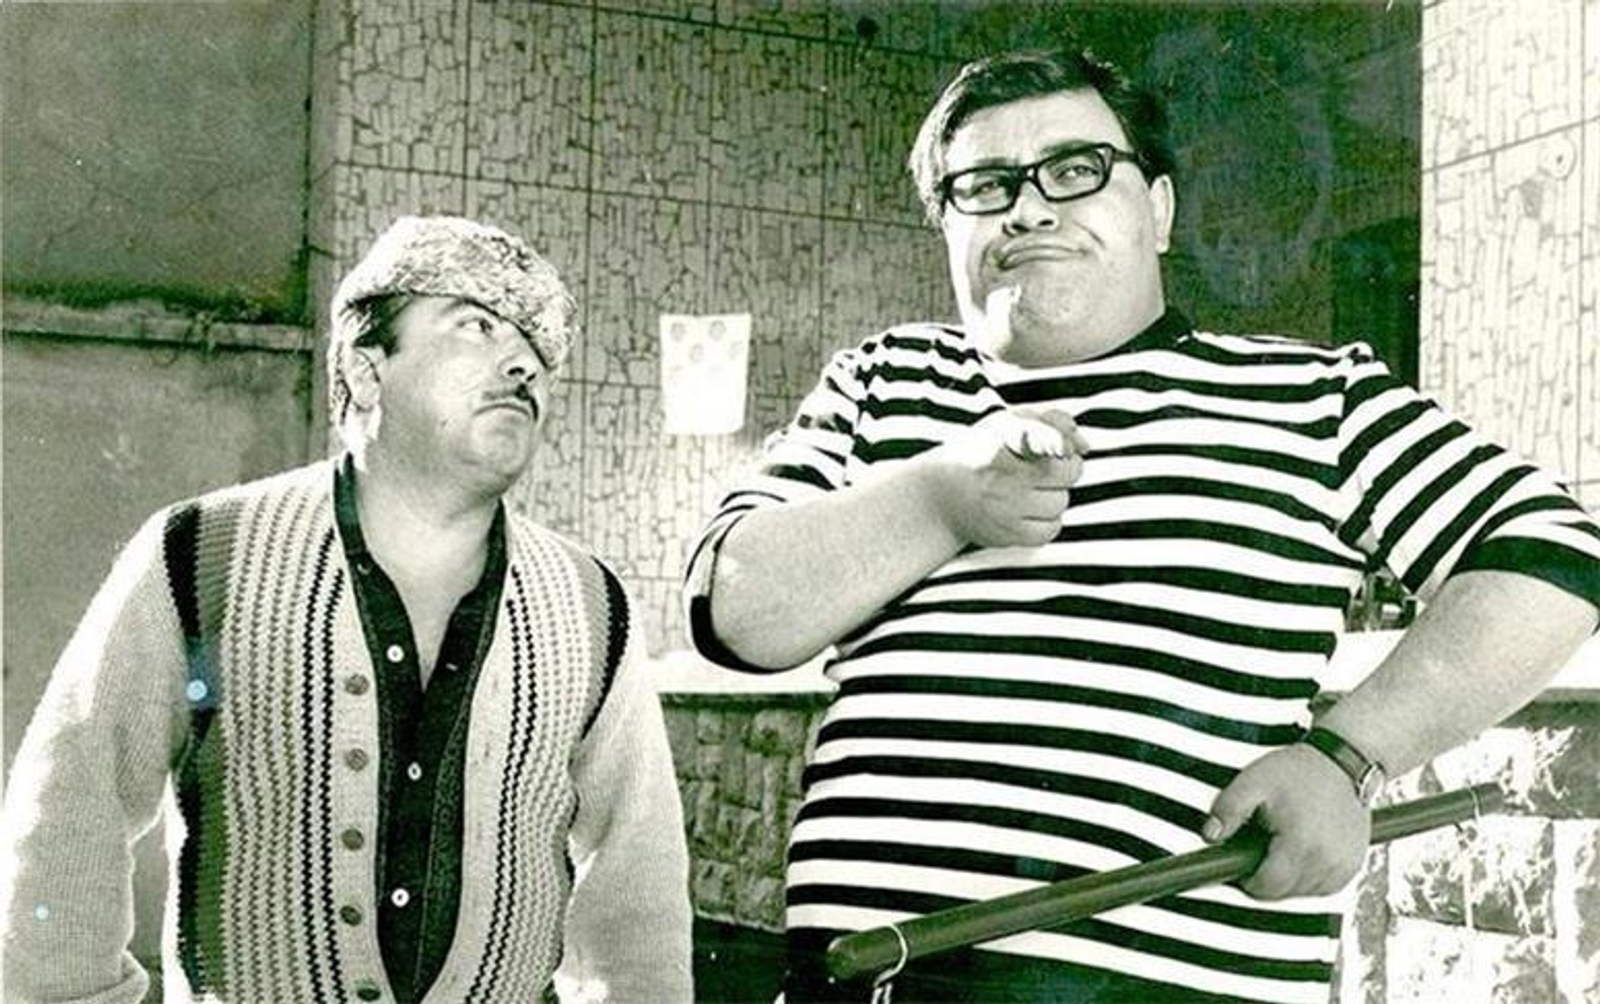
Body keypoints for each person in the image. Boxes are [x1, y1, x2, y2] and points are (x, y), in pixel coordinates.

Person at [682, 48, 1599, 1003]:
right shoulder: (880, 381)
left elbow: (1557, 553)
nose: (1029, 209)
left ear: (1157, 210)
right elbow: (731, 611)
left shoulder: (1313, 396)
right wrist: (937, 498)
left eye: (1075, 170)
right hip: (868, 981)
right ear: (947, 223)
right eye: (985, 186)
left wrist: (1347, 755)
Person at [1, 215, 693, 1003]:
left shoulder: (592, 603)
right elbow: (70, 811)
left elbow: (638, 885)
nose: (521, 364)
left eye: (536, 349)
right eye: (476, 326)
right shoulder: (201, 553)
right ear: (367, 371)